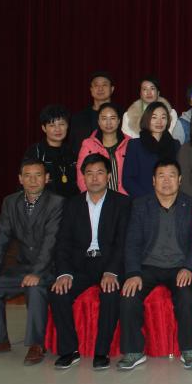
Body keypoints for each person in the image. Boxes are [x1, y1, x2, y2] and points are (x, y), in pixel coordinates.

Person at [0, 158, 64, 366]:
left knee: (35, 287)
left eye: (38, 175)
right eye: (27, 176)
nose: (33, 180)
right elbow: (1, 240)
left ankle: (37, 344)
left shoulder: (56, 203)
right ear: (20, 179)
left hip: (49, 268)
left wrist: (37, 273)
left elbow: (50, 242)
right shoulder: (10, 202)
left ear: (47, 178)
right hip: (23, 266)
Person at [50, 155, 130, 370]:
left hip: (109, 263)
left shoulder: (122, 203)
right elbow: (63, 242)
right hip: (80, 265)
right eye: (89, 173)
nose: (95, 178)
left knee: (111, 293)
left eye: (100, 173)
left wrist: (112, 271)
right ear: (83, 177)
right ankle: (69, 350)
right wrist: (64, 273)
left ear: (109, 176)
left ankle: (102, 351)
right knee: (58, 292)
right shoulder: (72, 204)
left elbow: (122, 243)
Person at [118, 160, 192, 370]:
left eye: (171, 175)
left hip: (179, 266)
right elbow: (132, 242)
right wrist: (133, 272)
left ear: (180, 180)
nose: (166, 181)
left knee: (187, 297)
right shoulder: (140, 205)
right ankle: (134, 351)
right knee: (129, 295)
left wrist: (189, 267)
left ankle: (189, 349)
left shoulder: (191, 205)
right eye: (161, 176)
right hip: (148, 266)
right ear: (153, 180)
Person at [122, 101, 180, 199]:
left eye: (163, 117)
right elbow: (128, 180)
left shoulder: (175, 145)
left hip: (170, 200)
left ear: (168, 121)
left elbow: (179, 175)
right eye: (154, 117)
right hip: (143, 200)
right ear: (147, 119)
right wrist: (148, 199)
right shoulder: (135, 145)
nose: (159, 122)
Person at [24, 104, 78, 198]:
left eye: (61, 124)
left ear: (67, 126)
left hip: (70, 204)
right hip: (44, 205)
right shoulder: (36, 152)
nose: (58, 129)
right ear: (44, 128)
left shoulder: (72, 152)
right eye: (52, 125)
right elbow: (26, 183)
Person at [76, 102, 130, 194]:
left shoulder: (130, 143)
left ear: (119, 121)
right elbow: (81, 176)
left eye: (112, 118)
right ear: (98, 121)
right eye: (104, 118)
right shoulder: (88, 144)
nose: (108, 123)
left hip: (125, 198)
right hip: (97, 197)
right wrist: (92, 198)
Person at [68, 70, 114, 154]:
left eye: (104, 85)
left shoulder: (123, 115)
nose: (100, 89)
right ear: (91, 89)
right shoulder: (78, 118)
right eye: (96, 85)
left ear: (112, 89)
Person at [121, 76, 180, 140]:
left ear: (158, 93)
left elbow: (173, 137)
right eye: (144, 89)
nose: (149, 93)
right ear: (140, 94)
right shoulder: (128, 116)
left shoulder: (171, 113)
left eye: (152, 88)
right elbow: (126, 141)